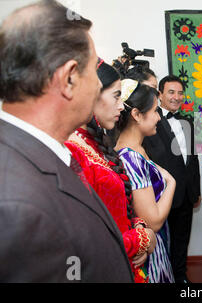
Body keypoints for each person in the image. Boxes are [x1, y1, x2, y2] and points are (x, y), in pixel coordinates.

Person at [0, 0, 133, 282]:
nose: (98, 84)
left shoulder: (44, 152)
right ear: (70, 78)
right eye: (92, 71)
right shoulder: (16, 205)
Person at [64, 59, 156, 283]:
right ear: (92, 94)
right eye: (116, 96)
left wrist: (139, 227)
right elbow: (85, 239)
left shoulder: (95, 142)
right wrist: (143, 238)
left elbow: (120, 208)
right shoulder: (70, 150)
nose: (121, 106)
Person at [115, 79, 176, 283]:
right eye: (155, 111)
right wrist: (172, 183)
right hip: (149, 252)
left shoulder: (138, 149)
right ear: (136, 115)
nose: (159, 117)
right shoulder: (130, 157)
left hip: (155, 246)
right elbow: (153, 221)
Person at [142, 75, 201, 283]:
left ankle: (181, 277)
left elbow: (192, 160)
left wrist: (197, 190)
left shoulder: (189, 121)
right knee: (161, 243)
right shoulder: (149, 119)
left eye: (180, 93)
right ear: (160, 94)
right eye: (171, 92)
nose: (176, 97)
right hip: (160, 196)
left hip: (186, 194)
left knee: (181, 241)